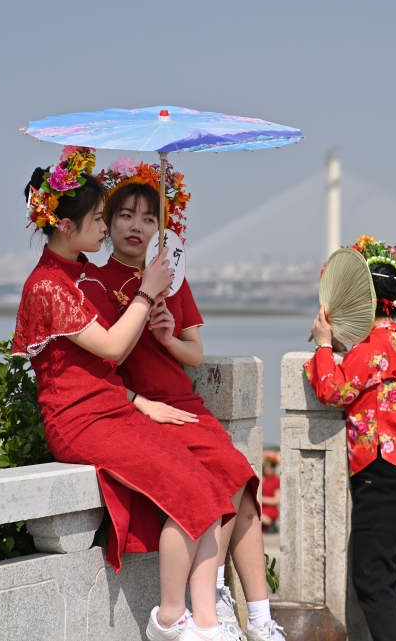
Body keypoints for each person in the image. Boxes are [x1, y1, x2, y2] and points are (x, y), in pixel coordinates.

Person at [13, 146, 240, 641]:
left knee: (207, 487)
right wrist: (147, 289)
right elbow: (113, 351)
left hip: (113, 410)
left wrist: (141, 403)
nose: (104, 226)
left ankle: (206, 621)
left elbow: (97, 371)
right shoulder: (50, 285)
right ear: (66, 225)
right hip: (80, 423)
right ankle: (170, 619)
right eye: (99, 218)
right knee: (188, 491)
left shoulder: (74, 276)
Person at [89, 159, 284, 641]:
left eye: (149, 217)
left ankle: (257, 616)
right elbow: (100, 364)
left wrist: (168, 336)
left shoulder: (172, 277)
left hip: (183, 403)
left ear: (163, 224)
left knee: (241, 488)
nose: (137, 226)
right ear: (108, 222)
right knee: (227, 485)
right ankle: (215, 599)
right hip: (142, 410)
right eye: (126, 216)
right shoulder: (94, 284)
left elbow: (193, 354)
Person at [306, 235, 396, 641]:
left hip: (385, 474)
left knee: (371, 576)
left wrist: (324, 346)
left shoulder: (372, 344)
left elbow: (334, 390)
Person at [260, 451, 281, 533]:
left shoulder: (276, 480)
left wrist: (261, 499)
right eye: (266, 466)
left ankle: (271, 525)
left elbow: (277, 500)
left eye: (269, 467)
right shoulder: (262, 478)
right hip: (261, 507)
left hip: (270, 509)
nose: (266, 469)